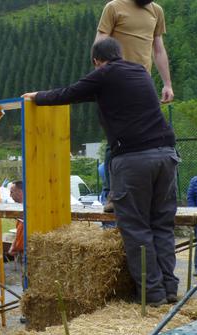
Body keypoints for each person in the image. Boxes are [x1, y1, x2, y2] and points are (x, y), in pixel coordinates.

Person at [22, 37, 179, 306]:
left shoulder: (103, 74)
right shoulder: (139, 71)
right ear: (120, 53)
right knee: (162, 225)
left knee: (137, 229)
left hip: (133, 159)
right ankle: (171, 289)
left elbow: (67, 93)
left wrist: (36, 97)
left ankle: (153, 296)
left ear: (97, 62)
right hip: (167, 154)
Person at [96, 0, 174, 212]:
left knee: (147, 134)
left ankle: (144, 193)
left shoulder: (156, 11)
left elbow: (158, 49)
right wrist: (103, 76)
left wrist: (167, 83)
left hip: (142, 81)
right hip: (116, 79)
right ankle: (112, 192)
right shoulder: (114, 7)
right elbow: (100, 43)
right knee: (116, 135)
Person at [7, 181, 25, 257]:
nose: (10, 195)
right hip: (21, 253)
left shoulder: (30, 210)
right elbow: (19, 231)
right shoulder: (20, 210)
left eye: (12, 192)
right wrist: (13, 246)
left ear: (21, 192)